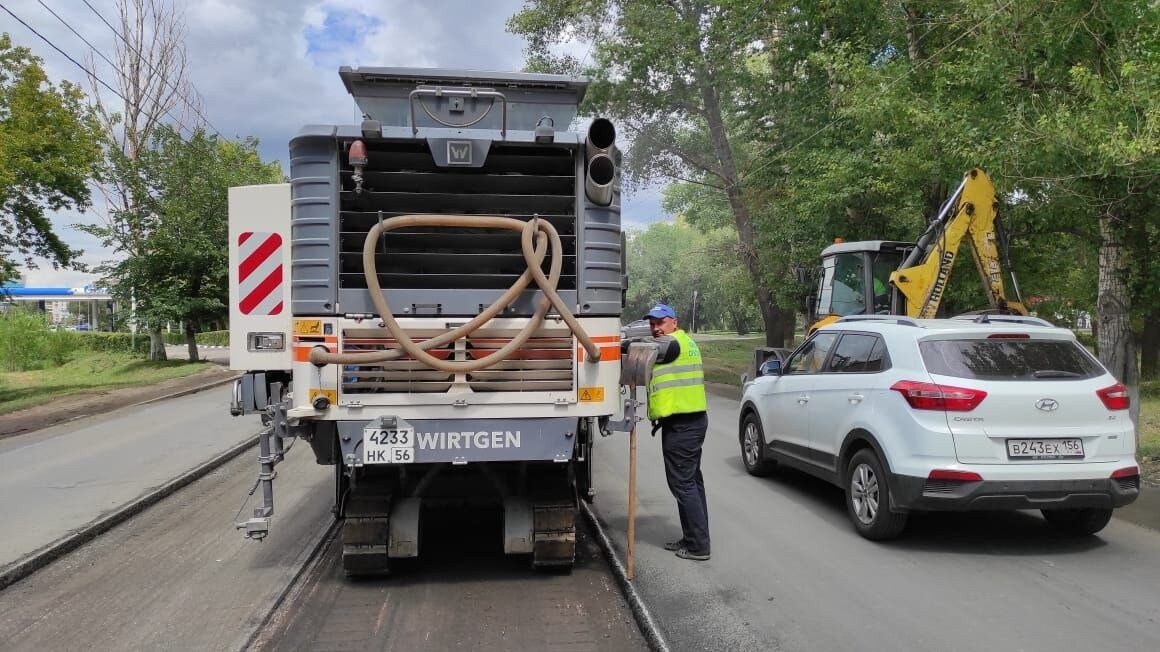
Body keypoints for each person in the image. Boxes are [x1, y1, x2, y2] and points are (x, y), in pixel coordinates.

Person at [644, 303, 711, 561]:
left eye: (660, 322)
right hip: (688, 421)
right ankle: (694, 537)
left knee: (683, 484)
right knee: (692, 482)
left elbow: (637, 348)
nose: (655, 328)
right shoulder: (685, 342)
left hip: (684, 425)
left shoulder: (671, 344)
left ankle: (699, 547)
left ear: (674, 322)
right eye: (652, 324)